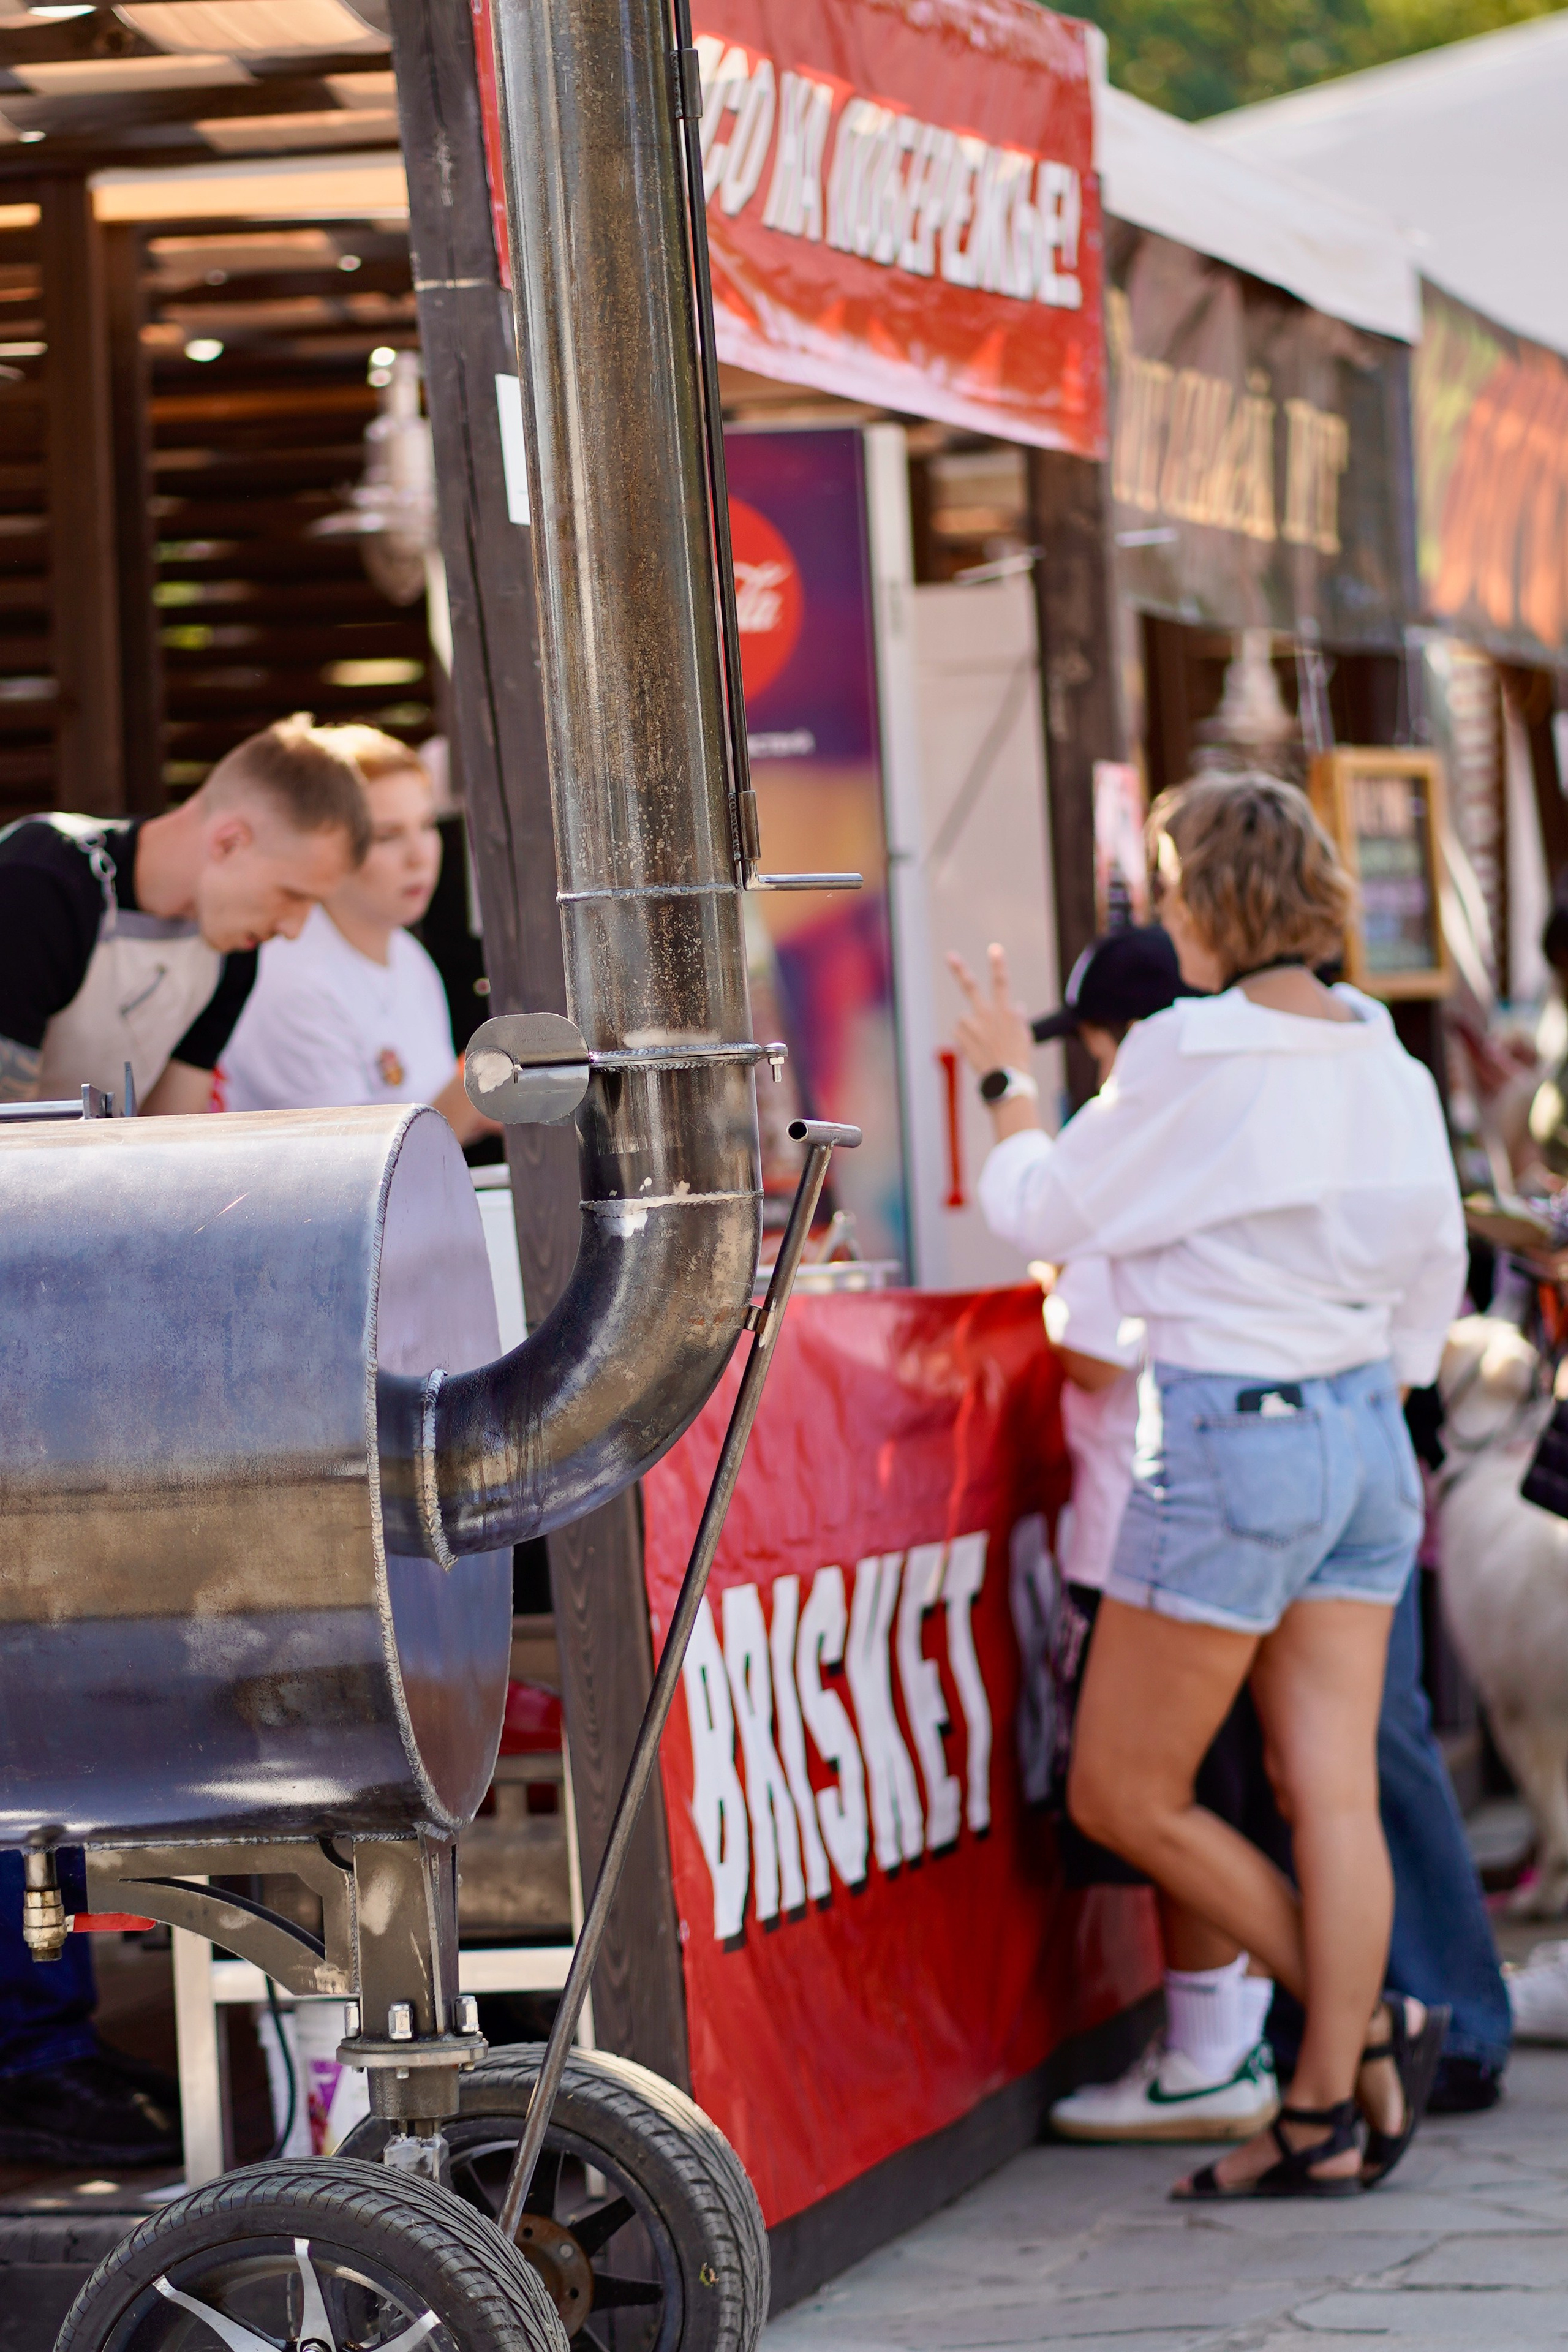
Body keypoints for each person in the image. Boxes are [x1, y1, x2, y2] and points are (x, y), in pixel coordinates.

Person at [953, 772, 1467, 2199]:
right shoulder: (1379, 1049)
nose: (1159, 909)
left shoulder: (1188, 1048)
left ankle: (1364, 2030)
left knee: (1121, 1791)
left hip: (1240, 1435)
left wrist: (1002, 1085)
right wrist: (1371, 1390)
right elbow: (1433, 1263)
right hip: (1363, 1431)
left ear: (1206, 902)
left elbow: (1041, 1210)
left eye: (1167, 885)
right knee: (1330, 1795)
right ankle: (1324, 2098)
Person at [0, 716, 372, 2165]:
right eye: (284, 894)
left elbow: (170, 1148)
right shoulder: (43, 885)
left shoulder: (228, 957)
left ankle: (47, 2033)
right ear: (225, 834)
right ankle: (31, 2047)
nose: (289, 929)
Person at [1009, 930, 1283, 2143]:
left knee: (1154, 1801)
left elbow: (1089, 1351)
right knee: (1220, 1791)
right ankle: (1248, 2036)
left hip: (1145, 1525)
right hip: (1236, 1503)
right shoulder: (1237, 1124)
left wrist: (1006, 1120)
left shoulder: (1124, 1140)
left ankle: (1243, 2046)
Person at [221, 729, 495, 1145]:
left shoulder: (406, 953)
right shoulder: (292, 982)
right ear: (324, 846)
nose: (419, 856)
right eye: (386, 836)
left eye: (426, 825)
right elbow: (354, 1165)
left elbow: (429, 1120)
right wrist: (481, 1074)